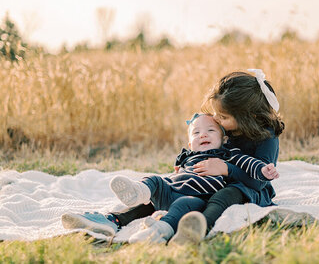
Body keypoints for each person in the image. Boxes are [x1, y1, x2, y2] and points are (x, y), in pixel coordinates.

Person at [62, 113, 278, 243]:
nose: (203, 135)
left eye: (211, 130)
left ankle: (158, 231)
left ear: (223, 140)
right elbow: (175, 170)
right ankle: (133, 196)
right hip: (170, 190)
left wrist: (263, 170)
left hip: (197, 198)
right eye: (196, 133)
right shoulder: (187, 156)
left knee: (183, 205)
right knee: (156, 180)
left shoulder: (227, 154)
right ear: (189, 141)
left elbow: (248, 163)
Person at [169, 69, 284, 245]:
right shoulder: (230, 128)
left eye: (222, 116)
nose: (215, 118)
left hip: (249, 189)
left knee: (226, 195)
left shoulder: (267, 138)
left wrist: (226, 169)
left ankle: (199, 228)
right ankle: (170, 220)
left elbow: (258, 182)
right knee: (184, 188)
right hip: (220, 180)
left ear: (248, 117)